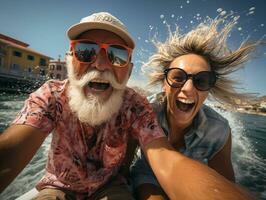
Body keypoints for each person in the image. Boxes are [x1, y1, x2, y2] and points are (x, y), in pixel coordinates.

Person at [0, 12, 254, 200]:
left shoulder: (137, 107)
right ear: (70, 59)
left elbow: (166, 160)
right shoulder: (49, 97)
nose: (100, 64)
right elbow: (11, 150)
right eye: (86, 51)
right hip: (56, 189)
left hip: (112, 189)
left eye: (116, 55)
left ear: (129, 71)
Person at [130, 16, 262, 200]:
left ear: (209, 89)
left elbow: (225, 181)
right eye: (178, 77)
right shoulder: (143, 113)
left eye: (201, 81)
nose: (188, 89)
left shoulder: (219, 131)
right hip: (146, 175)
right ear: (164, 84)